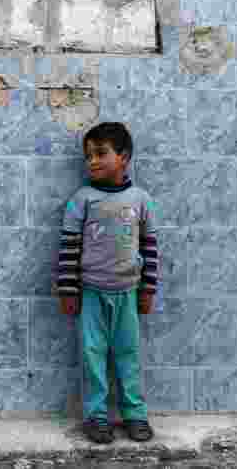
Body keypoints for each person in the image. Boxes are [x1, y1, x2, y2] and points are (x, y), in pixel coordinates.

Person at [53, 122, 159, 444]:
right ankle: (96, 417)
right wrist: (68, 289)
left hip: (127, 293)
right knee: (92, 354)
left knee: (128, 354)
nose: (93, 161)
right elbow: (69, 246)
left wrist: (148, 288)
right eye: (88, 156)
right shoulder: (81, 200)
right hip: (91, 295)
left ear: (124, 157)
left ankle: (135, 414)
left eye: (101, 153)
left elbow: (150, 246)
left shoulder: (140, 199)